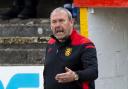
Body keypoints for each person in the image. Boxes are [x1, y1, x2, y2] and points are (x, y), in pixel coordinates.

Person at [43, 7, 98, 89]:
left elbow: (93, 72)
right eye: (54, 22)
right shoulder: (51, 43)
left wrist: (75, 75)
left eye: (61, 21)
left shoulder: (84, 44)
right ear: (50, 25)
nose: (57, 25)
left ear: (71, 22)